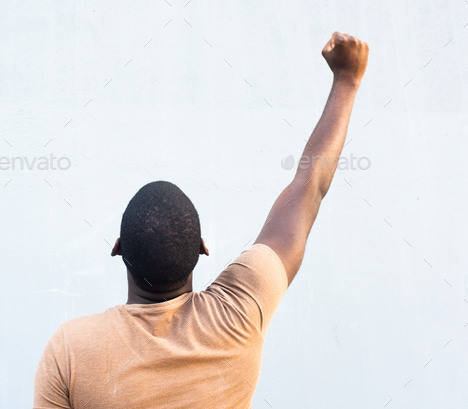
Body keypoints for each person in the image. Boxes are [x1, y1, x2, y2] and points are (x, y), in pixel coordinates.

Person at [33, 31, 369, 409]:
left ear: (118, 249)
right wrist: (347, 81)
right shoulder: (239, 312)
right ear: (202, 249)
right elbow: (310, 187)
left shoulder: (70, 350)